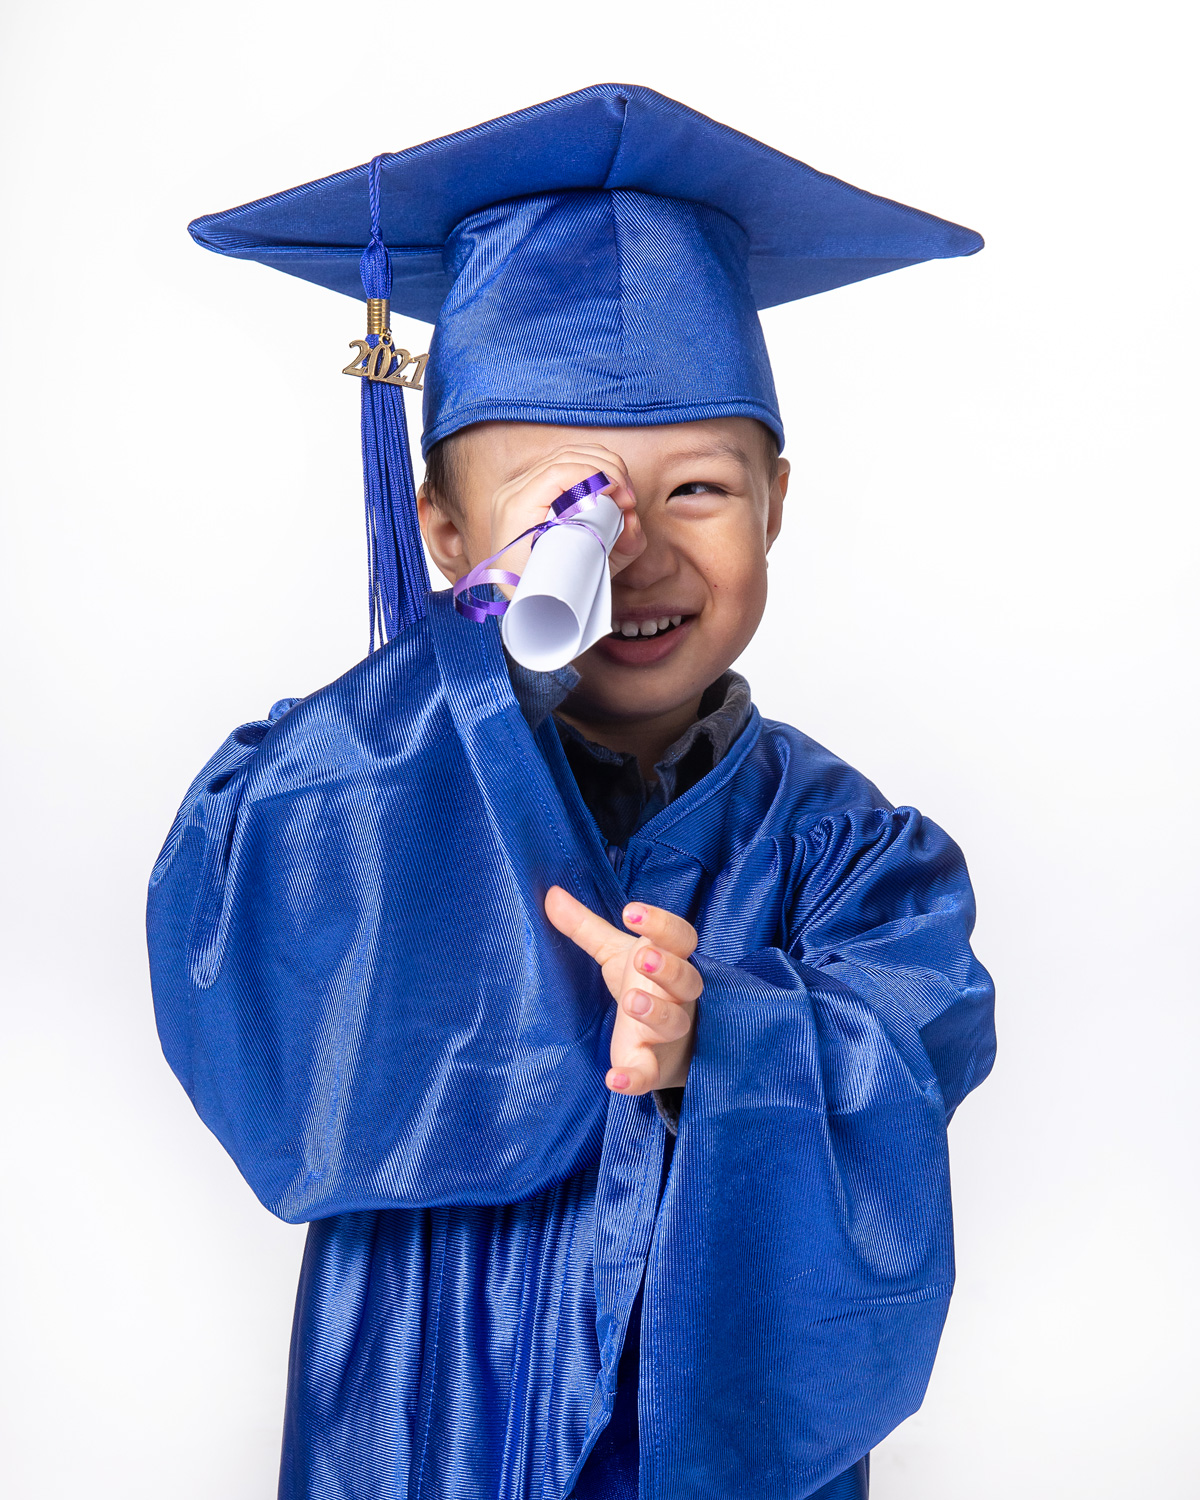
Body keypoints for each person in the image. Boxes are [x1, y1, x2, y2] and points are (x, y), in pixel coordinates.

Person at [148, 84, 996, 1500]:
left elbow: (917, 1038)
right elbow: (235, 929)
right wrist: (476, 663)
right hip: (423, 1418)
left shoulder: (847, 847)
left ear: (779, 500)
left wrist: (724, 1038)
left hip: (697, 1420)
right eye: (572, 510)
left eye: (702, 492)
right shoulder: (372, 776)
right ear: (443, 532)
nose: (639, 556)